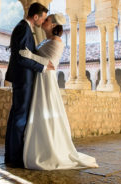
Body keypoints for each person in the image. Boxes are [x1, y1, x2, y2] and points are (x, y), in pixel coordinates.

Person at [19, 13, 98, 170]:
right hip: (40, 78)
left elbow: (52, 64)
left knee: (46, 111)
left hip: (46, 80)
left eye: (47, 20)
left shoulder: (57, 41)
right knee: (40, 113)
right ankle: (40, 147)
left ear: (53, 25)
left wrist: (30, 55)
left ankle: (49, 150)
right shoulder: (47, 40)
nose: (44, 21)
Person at [4, 2, 54, 167]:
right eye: (43, 18)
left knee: (16, 116)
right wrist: (42, 67)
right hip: (23, 79)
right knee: (20, 118)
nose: (43, 22)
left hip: (20, 78)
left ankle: (10, 156)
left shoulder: (22, 27)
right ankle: (16, 158)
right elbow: (22, 58)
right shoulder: (24, 28)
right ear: (36, 17)